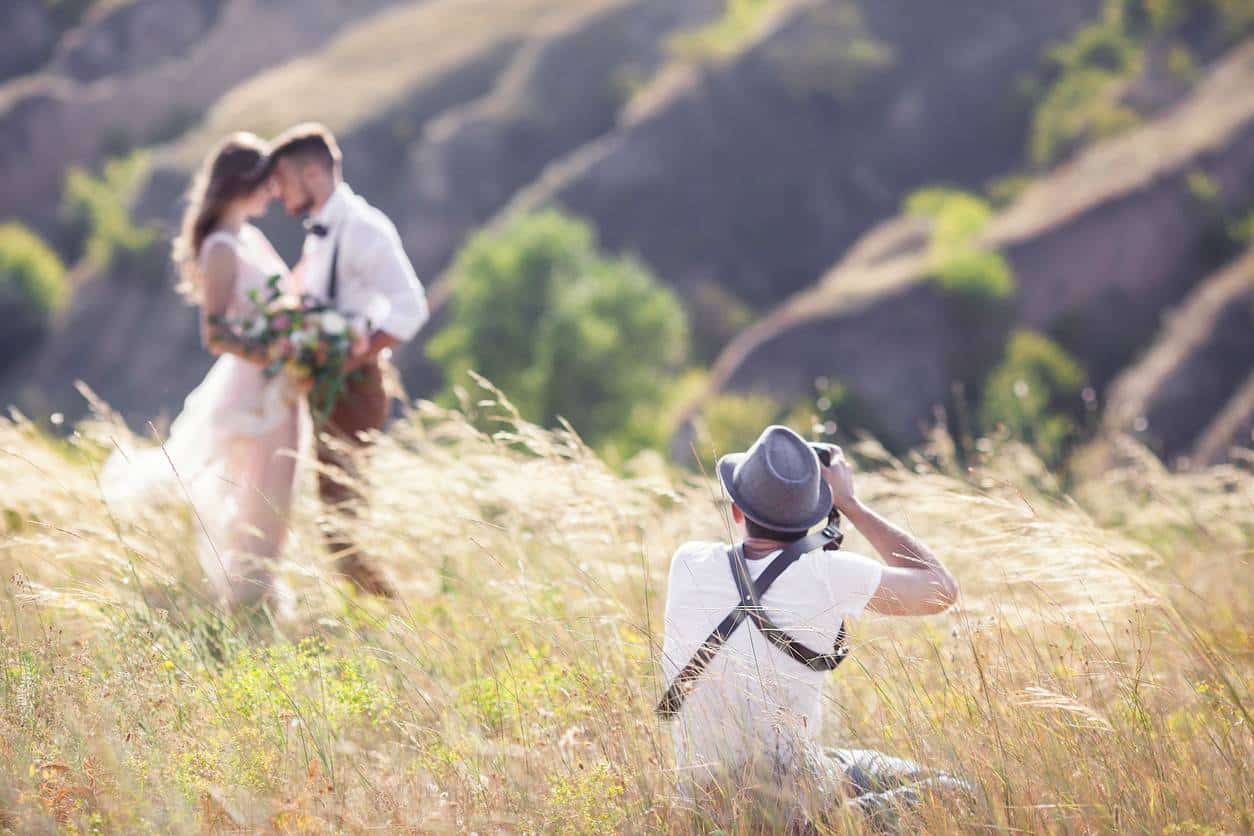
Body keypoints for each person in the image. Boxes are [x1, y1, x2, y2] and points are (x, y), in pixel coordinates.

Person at [660, 425, 965, 826]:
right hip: (795, 812)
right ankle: (842, 823)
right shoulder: (828, 575)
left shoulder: (687, 561)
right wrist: (851, 503)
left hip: (704, 809)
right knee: (958, 794)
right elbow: (941, 589)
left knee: (837, 762)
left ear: (737, 511)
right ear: (817, 513)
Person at [102, 133, 308, 610]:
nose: (275, 193)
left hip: (281, 379)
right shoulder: (219, 248)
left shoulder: (249, 236)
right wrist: (273, 354)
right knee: (253, 490)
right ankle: (245, 600)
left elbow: (285, 300)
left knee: (278, 488)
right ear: (243, 184)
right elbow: (215, 335)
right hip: (252, 383)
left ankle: (257, 598)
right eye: (267, 184)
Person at [267, 123, 429, 598]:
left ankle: (397, 617)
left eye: (283, 181)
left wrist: (358, 351)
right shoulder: (320, 232)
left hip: (354, 389)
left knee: (341, 525)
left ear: (313, 174)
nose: (277, 194)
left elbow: (411, 305)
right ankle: (380, 611)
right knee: (334, 517)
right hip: (322, 388)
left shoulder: (364, 228)